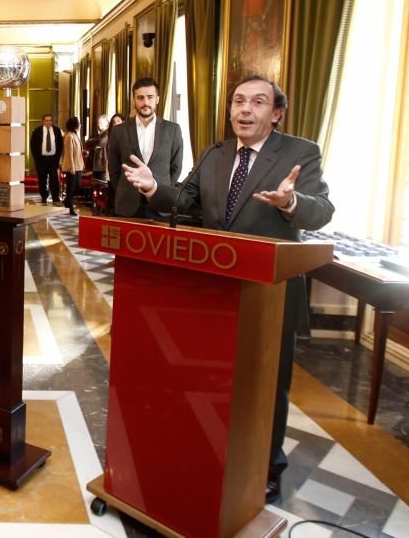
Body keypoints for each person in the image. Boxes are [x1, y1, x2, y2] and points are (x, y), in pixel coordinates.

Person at [122, 74, 334, 504]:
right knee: (215, 381)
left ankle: (267, 467)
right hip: (213, 293)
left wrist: (291, 203)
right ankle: (213, 447)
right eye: (238, 101)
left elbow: (322, 210)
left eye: (257, 102)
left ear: (276, 113)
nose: (244, 109)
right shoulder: (216, 153)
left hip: (270, 296)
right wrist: (154, 188)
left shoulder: (300, 153)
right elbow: (185, 201)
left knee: (267, 387)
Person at [107, 78, 184, 219]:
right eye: (140, 98)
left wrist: (160, 189)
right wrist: (125, 189)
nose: (145, 102)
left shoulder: (173, 130)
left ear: (158, 99)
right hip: (127, 205)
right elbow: (114, 169)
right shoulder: (119, 131)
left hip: (161, 205)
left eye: (150, 97)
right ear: (134, 100)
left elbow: (176, 167)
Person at [29, 113, 63, 205]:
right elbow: (33, 145)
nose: (48, 122)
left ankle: (55, 197)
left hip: (53, 159)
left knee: (54, 179)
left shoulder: (57, 130)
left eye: (50, 120)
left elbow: (60, 145)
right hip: (41, 160)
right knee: (42, 179)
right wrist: (37, 158)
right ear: (43, 121)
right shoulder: (37, 131)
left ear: (52, 121)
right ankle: (44, 196)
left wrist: (57, 158)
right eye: (46, 120)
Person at [61, 116, 84, 216]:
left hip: (78, 165)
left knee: (77, 186)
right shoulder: (69, 136)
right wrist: (72, 167)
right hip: (72, 167)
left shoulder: (75, 135)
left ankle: (67, 201)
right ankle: (70, 207)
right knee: (71, 188)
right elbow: (69, 153)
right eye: (79, 123)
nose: (80, 125)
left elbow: (78, 151)